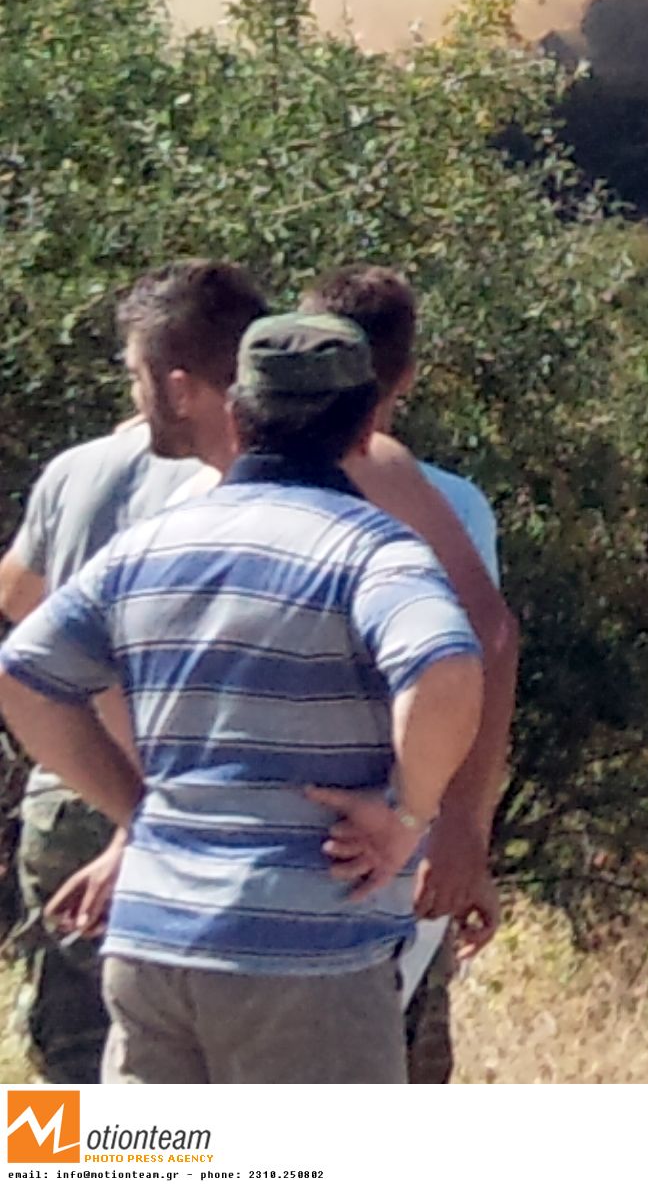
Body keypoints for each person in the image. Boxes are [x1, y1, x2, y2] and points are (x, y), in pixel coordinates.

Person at [0, 261, 518, 1080]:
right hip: (304, 949)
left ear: (236, 413)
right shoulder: (377, 551)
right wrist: (415, 818)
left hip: (154, 933)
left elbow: (21, 669)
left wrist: (145, 817)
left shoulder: (146, 540)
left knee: (129, 1153)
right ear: (367, 428)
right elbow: (454, 666)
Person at [0, 260, 265, 1083]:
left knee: (75, 1059)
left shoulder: (77, 468)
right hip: (183, 796)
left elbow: (18, 597)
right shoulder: (228, 482)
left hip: (68, 788)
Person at [298, 264, 503, 1083]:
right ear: (405, 377)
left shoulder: (208, 493)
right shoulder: (450, 505)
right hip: (391, 836)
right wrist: (460, 826)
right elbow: (483, 649)